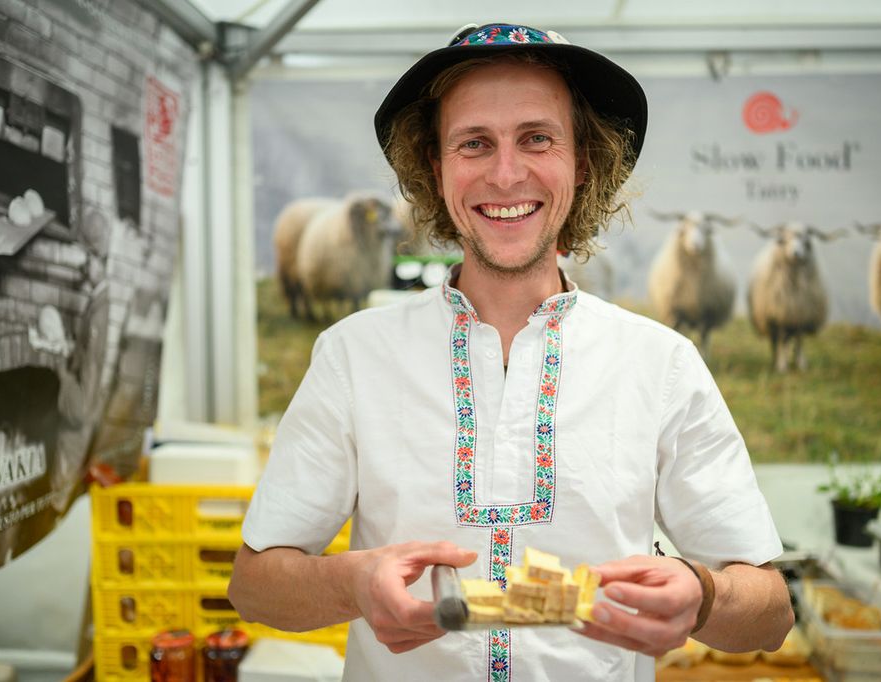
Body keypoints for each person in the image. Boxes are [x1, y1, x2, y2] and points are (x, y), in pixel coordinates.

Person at [229, 22, 793, 681]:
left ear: (583, 162)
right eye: (474, 143)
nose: (505, 174)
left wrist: (704, 594)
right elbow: (254, 586)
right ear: (436, 168)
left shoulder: (660, 364)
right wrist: (351, 583)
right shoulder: (353, 356)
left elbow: (772, 614)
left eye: (536, 138)